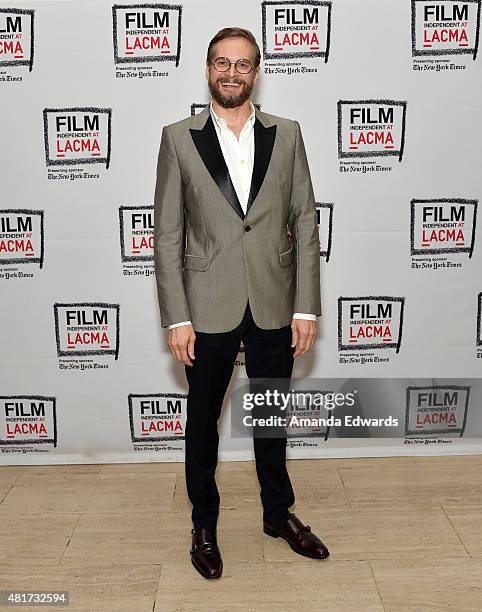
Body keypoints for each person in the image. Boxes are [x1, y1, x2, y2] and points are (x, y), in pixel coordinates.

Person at [153, 26, 329, 580]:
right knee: (202, 422)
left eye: (244, 64)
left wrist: (307, 306)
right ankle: (203, 523)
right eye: (222, 63)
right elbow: (167, 235)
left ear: (257, 71)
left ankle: (278, 514)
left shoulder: (289, 133)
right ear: (208, 69)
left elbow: (303, 217)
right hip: (206, 303)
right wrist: (177, 316)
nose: (232, 73)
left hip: (275, 299)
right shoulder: (179, 137)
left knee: (272, 415)